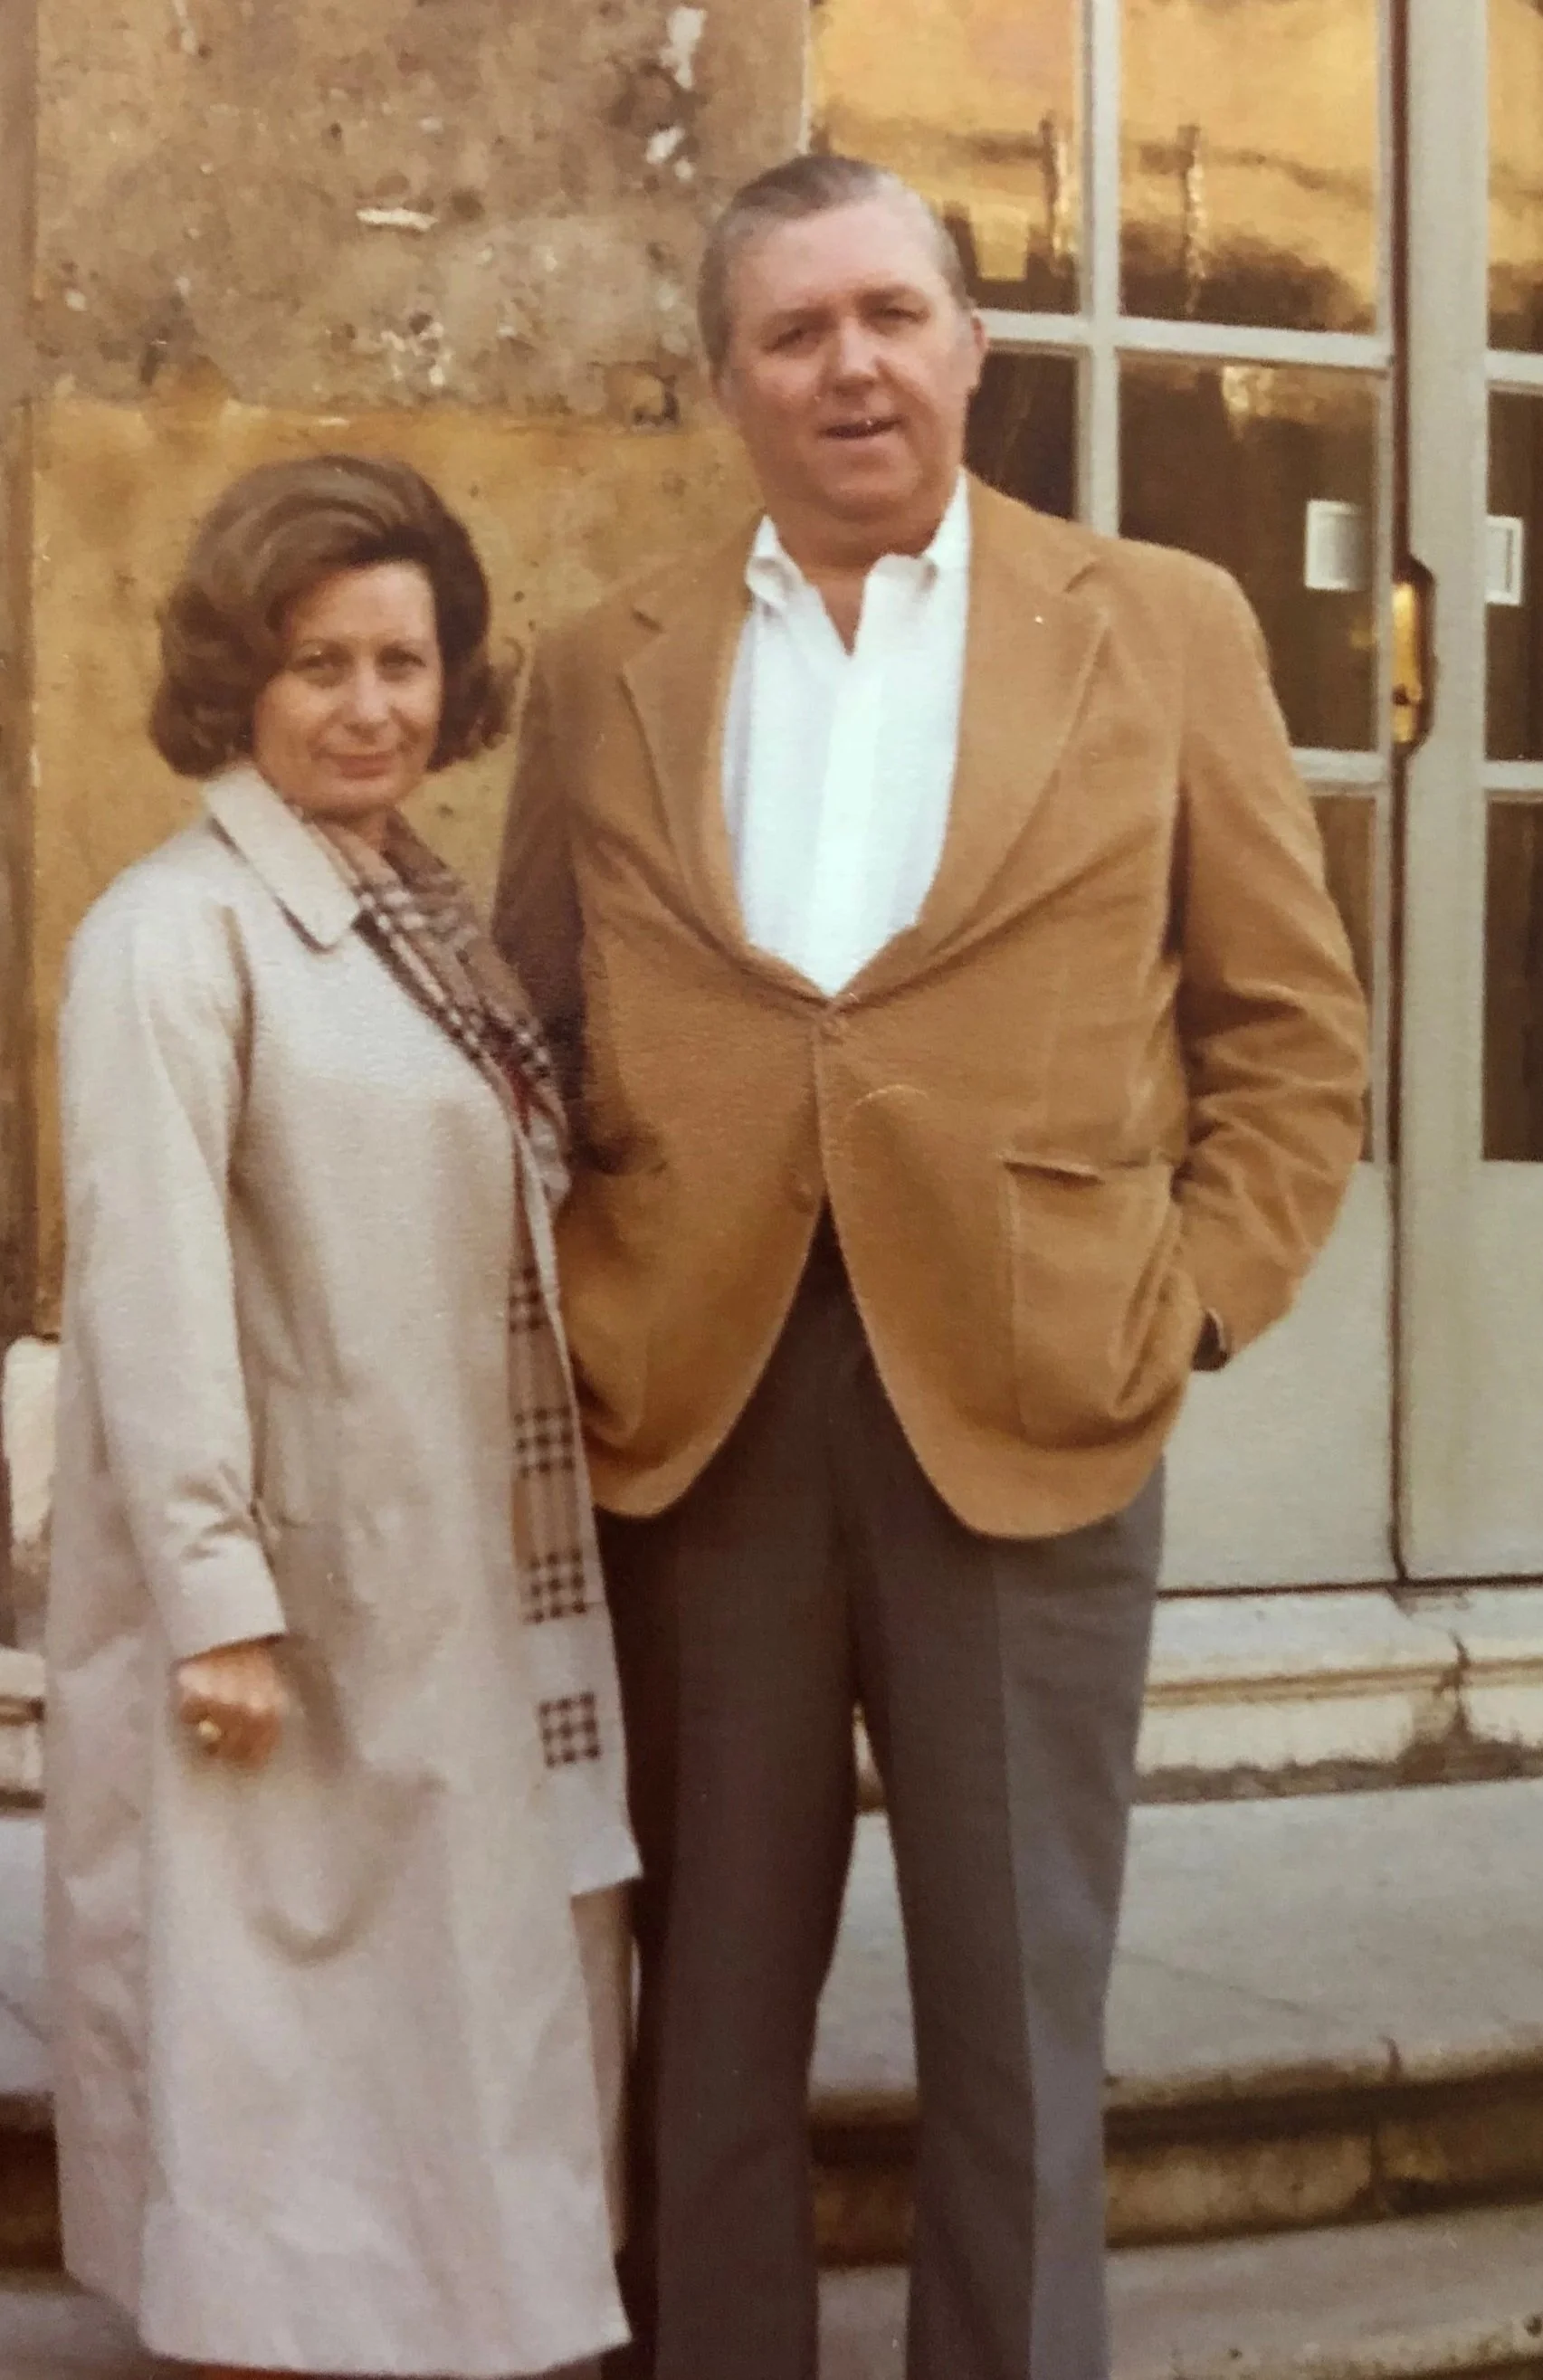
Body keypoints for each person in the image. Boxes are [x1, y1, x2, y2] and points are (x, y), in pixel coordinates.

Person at [492, 155, 1369, 2380]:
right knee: (702, 2016)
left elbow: (1289, 1025)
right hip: (702, 1413)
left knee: (1013, 2013)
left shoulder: (1155, 622)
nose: (848, 365)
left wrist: (1189, 1296)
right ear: (724, 382)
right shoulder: (608, 663)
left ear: (971, 341)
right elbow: (535, 1026)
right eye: (791, 333)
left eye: (888, 313)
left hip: (1034, 1398)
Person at [45, 452, 637, 2380]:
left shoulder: (407, 908)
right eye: (320, 665)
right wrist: (215, 1589)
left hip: (455, 1550)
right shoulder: (173, 931)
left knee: (435, 2029)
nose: (372, 704)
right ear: (240, 681)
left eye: (405, 660)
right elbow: (147, 1289)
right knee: (276, 2053)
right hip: (295, 1585)